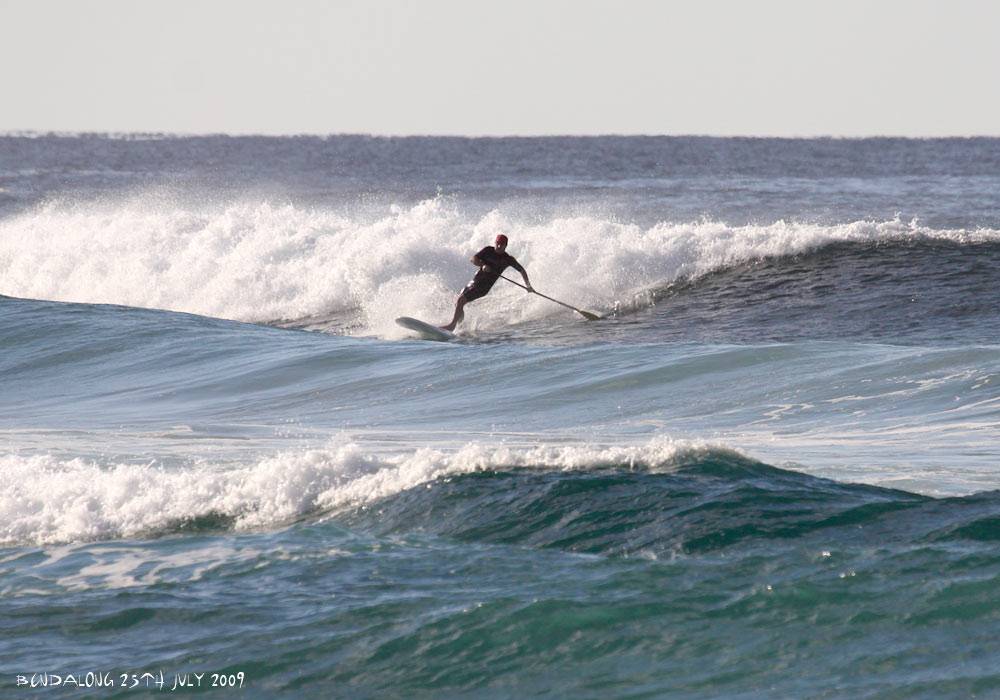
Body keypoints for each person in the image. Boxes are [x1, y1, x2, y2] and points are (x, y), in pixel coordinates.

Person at [441, 234, 532, 331]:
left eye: (502, 244)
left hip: (484, 286)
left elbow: (522, 270)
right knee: (458, 302)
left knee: (461, 301)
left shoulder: (508, 259)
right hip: (475, 281)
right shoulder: (488, 250)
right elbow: (473, 259)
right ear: (495, 243)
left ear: (506, 245)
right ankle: (460, 326)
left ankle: (452, 326)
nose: (499, 246)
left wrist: (528, 285)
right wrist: (483, 265)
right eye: (498, 243)